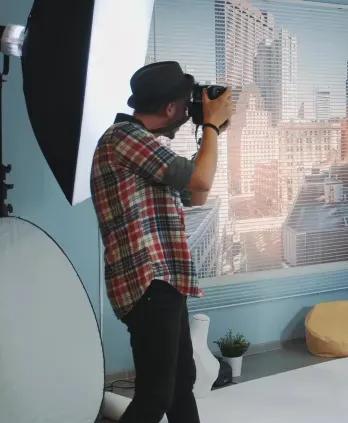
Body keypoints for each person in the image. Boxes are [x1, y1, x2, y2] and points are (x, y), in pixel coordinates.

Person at [90, 61, 234, 423]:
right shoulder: (124, 138)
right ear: (170, 108)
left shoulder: (144, 149)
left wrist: (209, 132)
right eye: (187, 107)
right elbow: (200, 181)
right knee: (155, 395)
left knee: (180, 382)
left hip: (163, 282)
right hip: (147, 282)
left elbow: (197, 195)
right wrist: (213, 124)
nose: (188, 114)